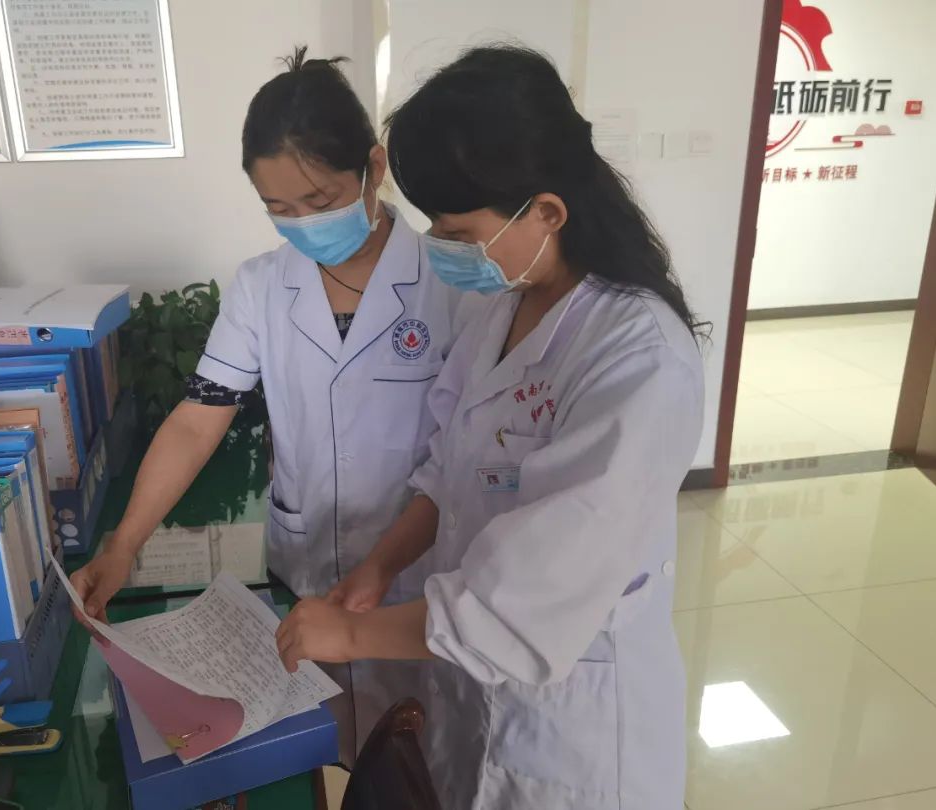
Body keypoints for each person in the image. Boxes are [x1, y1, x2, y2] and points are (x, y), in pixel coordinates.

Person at [275, 45, 706, 809]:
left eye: (457, 226)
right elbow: (448, 467)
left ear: (547, 212)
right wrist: (382, 565)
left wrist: (348, 638)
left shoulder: (638, 358)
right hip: (471, 691)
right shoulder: (500, 308)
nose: (441, 242)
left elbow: (530, 598)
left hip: (571, 733)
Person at [70, 47, 465, 763]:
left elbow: (460, 457)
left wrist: (382, 567)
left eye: (319, 201)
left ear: (374, 169)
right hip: (305, 566)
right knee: (317, 747)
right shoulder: (260, 287)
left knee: (412, 758)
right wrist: (123, 544)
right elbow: (198, 420)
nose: (303, 224)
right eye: (280, 210)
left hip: (414, 578)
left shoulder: (450, 283)